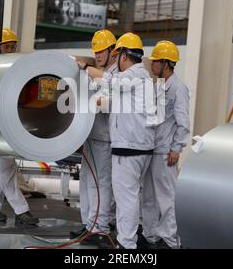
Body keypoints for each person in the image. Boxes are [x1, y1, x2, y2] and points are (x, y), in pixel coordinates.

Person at [78, 32, 157, 249]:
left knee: (126, 199)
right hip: (136, 146)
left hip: (129, 147)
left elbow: (111, 83)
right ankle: (123, 240)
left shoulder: (132, 75)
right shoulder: (141, 76)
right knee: (127, 197)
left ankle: (126, 244)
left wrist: (84, 67)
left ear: (122, 55)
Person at [0, 29, 39, 227]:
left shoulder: (14, 67)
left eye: (13, 46)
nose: (11, 49)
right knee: (6, 167)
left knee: (4, 167)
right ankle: (21, 210)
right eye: (7, 46)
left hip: (7, 124)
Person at [141, 41, 190, 249]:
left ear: (166, 64)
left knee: (167, 196)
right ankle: (150, 234)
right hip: (153, 149)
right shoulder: (159, 86)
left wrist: (176, 148)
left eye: (155, 62)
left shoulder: (178, 88)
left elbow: (183, 122)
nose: (152, 65)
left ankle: (170, 239)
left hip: (165, 151)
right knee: (149, 195)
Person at [71, 30, 118, 247]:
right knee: (86, 183)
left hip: (104, 139)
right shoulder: (99, 73)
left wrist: (87, 70)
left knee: (101, 184)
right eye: (95, 51)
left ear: (112, 51)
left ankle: (100, 227)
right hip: (91, 136)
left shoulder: (115, 75)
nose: (97, 55)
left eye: (101, 51)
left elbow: (106, 102)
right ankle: (89, 224)